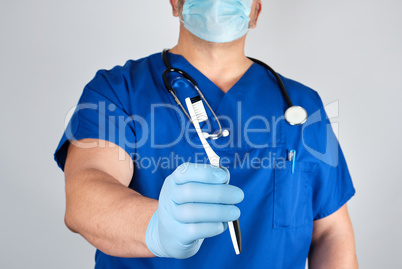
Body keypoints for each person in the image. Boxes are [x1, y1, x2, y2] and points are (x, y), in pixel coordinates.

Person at [54, 0, 358, 268]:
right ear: (175, 3)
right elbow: (84, 192)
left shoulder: (302, 106)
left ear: (255, 12)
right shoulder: (117, 91)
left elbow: (332, 232)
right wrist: (157, 227)